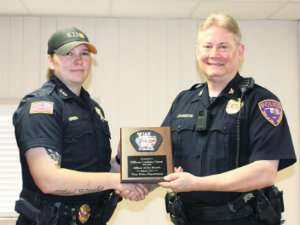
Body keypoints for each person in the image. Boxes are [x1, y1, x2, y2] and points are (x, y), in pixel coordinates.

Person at [159, 13, 297, 225]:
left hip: (242, 219)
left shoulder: (260, 102)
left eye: (223, 46)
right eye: (207, 46)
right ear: (197, 52)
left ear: (240, 52)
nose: (214, 54)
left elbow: (265, 172)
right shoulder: (183, 101)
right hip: (188, 218)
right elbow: (159, 157)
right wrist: (131, 174)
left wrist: (197, 183)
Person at [13, 27, 148, 225]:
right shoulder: (42, 107)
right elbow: (49, 180)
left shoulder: (93, 110)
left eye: (84, 53)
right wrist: (116, 181)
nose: (78, 61)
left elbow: (94, 170)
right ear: (51, 61)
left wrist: (120, 163)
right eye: (68, 53)